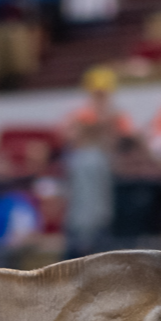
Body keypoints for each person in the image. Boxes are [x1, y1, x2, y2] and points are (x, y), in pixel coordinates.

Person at [65, 121, 115, 258]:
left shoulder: (88, 160)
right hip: (87, 221)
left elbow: (89, 197)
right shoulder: (87, 157)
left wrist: (85, 233)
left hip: (87, 225)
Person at [65, 68, 135, 142]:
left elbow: (128, 140)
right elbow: (69, 140)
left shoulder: (119, 117)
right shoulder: (78, 117)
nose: (100, 99)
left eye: (103, 94)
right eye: (97, 94)